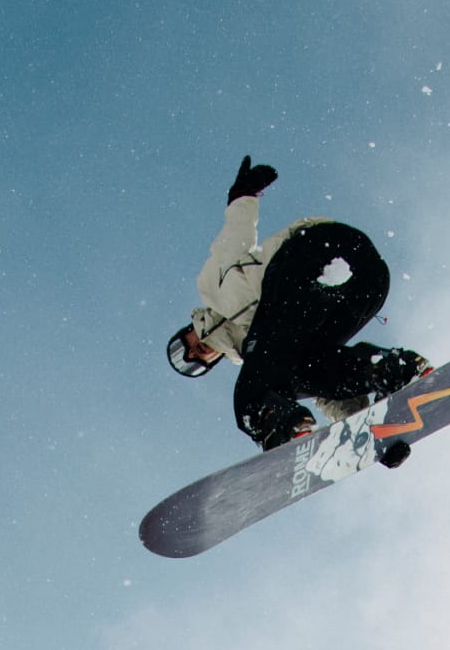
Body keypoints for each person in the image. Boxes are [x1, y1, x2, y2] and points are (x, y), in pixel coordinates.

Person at [167, 158, 433, 460]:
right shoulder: (269, 356)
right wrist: (376, 433)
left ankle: (279, 426)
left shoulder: (211, 287)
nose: (192, 354)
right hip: (365, 287)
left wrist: (242, 195)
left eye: (184, 347)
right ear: (214, 361)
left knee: (252, 395)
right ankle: (391, 371)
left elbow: (234, 237)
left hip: (315, 252)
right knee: (307, 368)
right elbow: (324, 383)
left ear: (189, 328)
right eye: (193, 363)